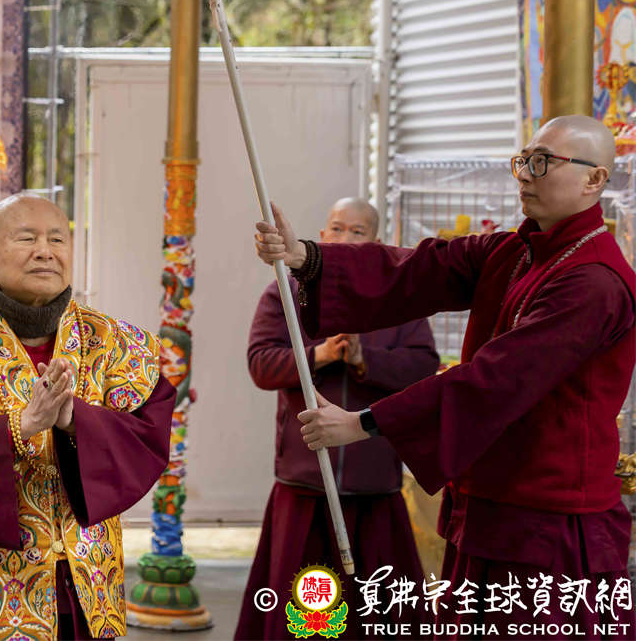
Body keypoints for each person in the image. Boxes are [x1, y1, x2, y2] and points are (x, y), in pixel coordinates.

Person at [254, 115, 636, 637]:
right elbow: (419, 269)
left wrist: (364, 423)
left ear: (595, 179)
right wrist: (306, 257)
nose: (526, 174)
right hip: (489, 505)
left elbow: (496, 380)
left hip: (549, 522)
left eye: (543, 162)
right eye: (524, 160)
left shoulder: (595, 282)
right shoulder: (515, 251)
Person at [0, 193, 176, 639]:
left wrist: (76, 421)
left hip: (88, 588)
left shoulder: (117, 343)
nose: (45, 251)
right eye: (26, 238)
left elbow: (146, 438)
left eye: (57, 239)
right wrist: (20, 427)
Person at [236, 198, 438, 640]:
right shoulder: (285, 292)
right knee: (302, 616)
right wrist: (321, 355)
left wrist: (367, 361)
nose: (345, 238)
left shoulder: (399, 301)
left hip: (374, 487)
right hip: (304, 486)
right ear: (323, 235)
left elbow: (424, 366)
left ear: (376, 242)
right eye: (337, 229)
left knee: (378, 614)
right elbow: (261, 364)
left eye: (358, 232)